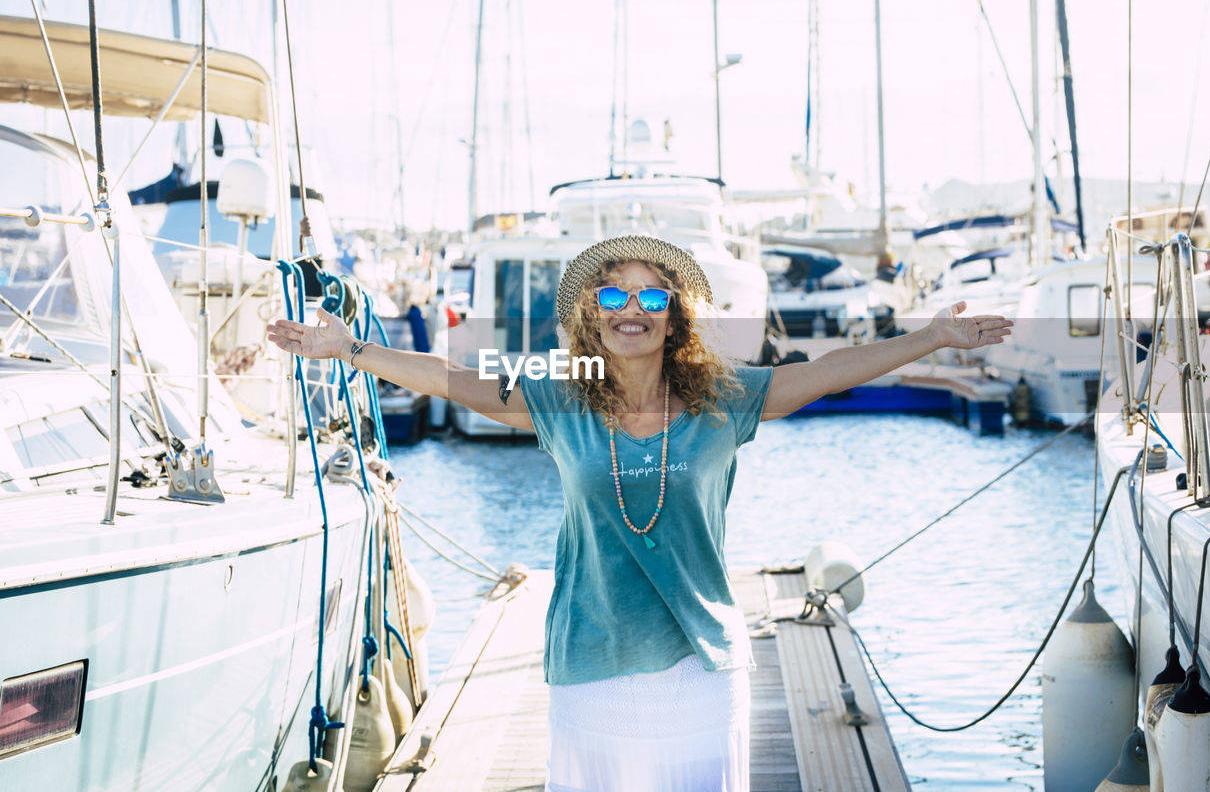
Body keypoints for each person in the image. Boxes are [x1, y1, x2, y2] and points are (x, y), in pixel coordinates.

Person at [265, 234, 1012, 792]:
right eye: (614, 295)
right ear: (592, 315)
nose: (633, 309)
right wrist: (350, 347)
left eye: (653, 296)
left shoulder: (724, 400)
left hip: (702, 665)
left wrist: (933, 337)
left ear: (674, 316)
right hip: (592, 661)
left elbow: (820, 374)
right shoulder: (560, 400)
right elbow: (455, 379)